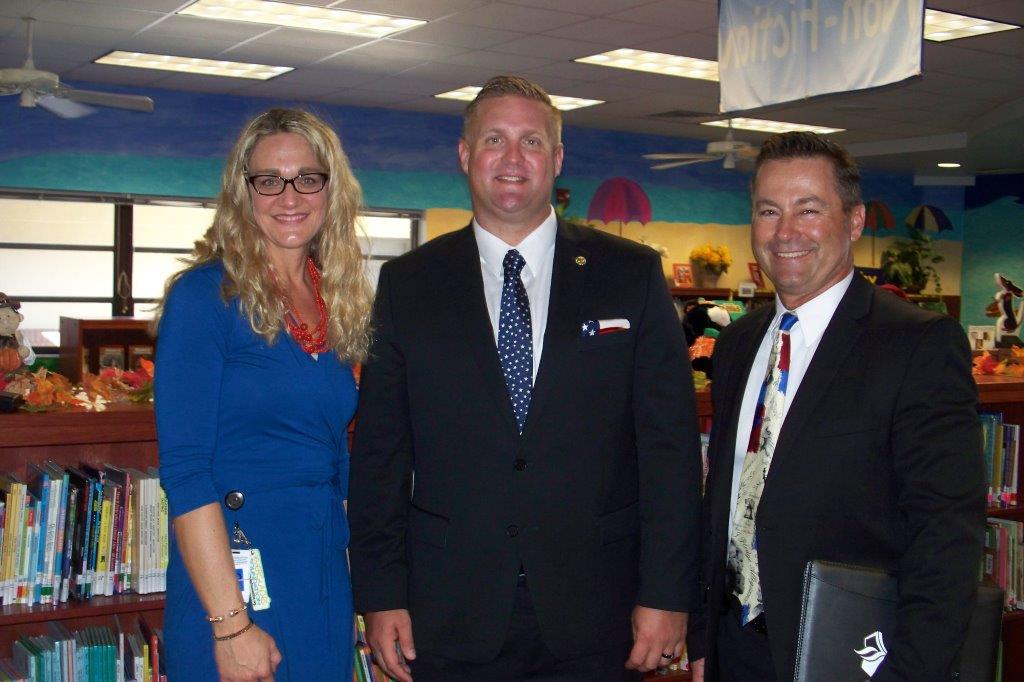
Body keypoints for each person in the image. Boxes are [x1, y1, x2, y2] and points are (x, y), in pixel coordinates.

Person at [349, 75, 703, 682]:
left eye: (532, 142)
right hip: (449, 610)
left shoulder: (631, 275)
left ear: (557, 159)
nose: (513, 159)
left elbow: (669, 453)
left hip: (598, 609)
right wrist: (381, 595)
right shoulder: (408, 284)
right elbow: (381, 454)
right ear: (466, 156)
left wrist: (668, 594)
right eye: (494, 139)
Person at [687, 131, 985, 682]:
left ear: (853, 221)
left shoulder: (917, 345)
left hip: (853, 653)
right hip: (737, 649)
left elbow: (946, 534)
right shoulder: (737, 347)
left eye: (809, 209)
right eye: (769, 210)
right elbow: (725, 504)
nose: (786, 232)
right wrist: (705, 639)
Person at [153, 108, 372, 681]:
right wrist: (230, 624)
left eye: (308, 177)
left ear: (332, 189)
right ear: (242, 192)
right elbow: (186, 472)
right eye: (268, 180)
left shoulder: (338, 299)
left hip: (322, 569)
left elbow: (338, 458)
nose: (289, 195)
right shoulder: (205, 298)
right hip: (236, 570)